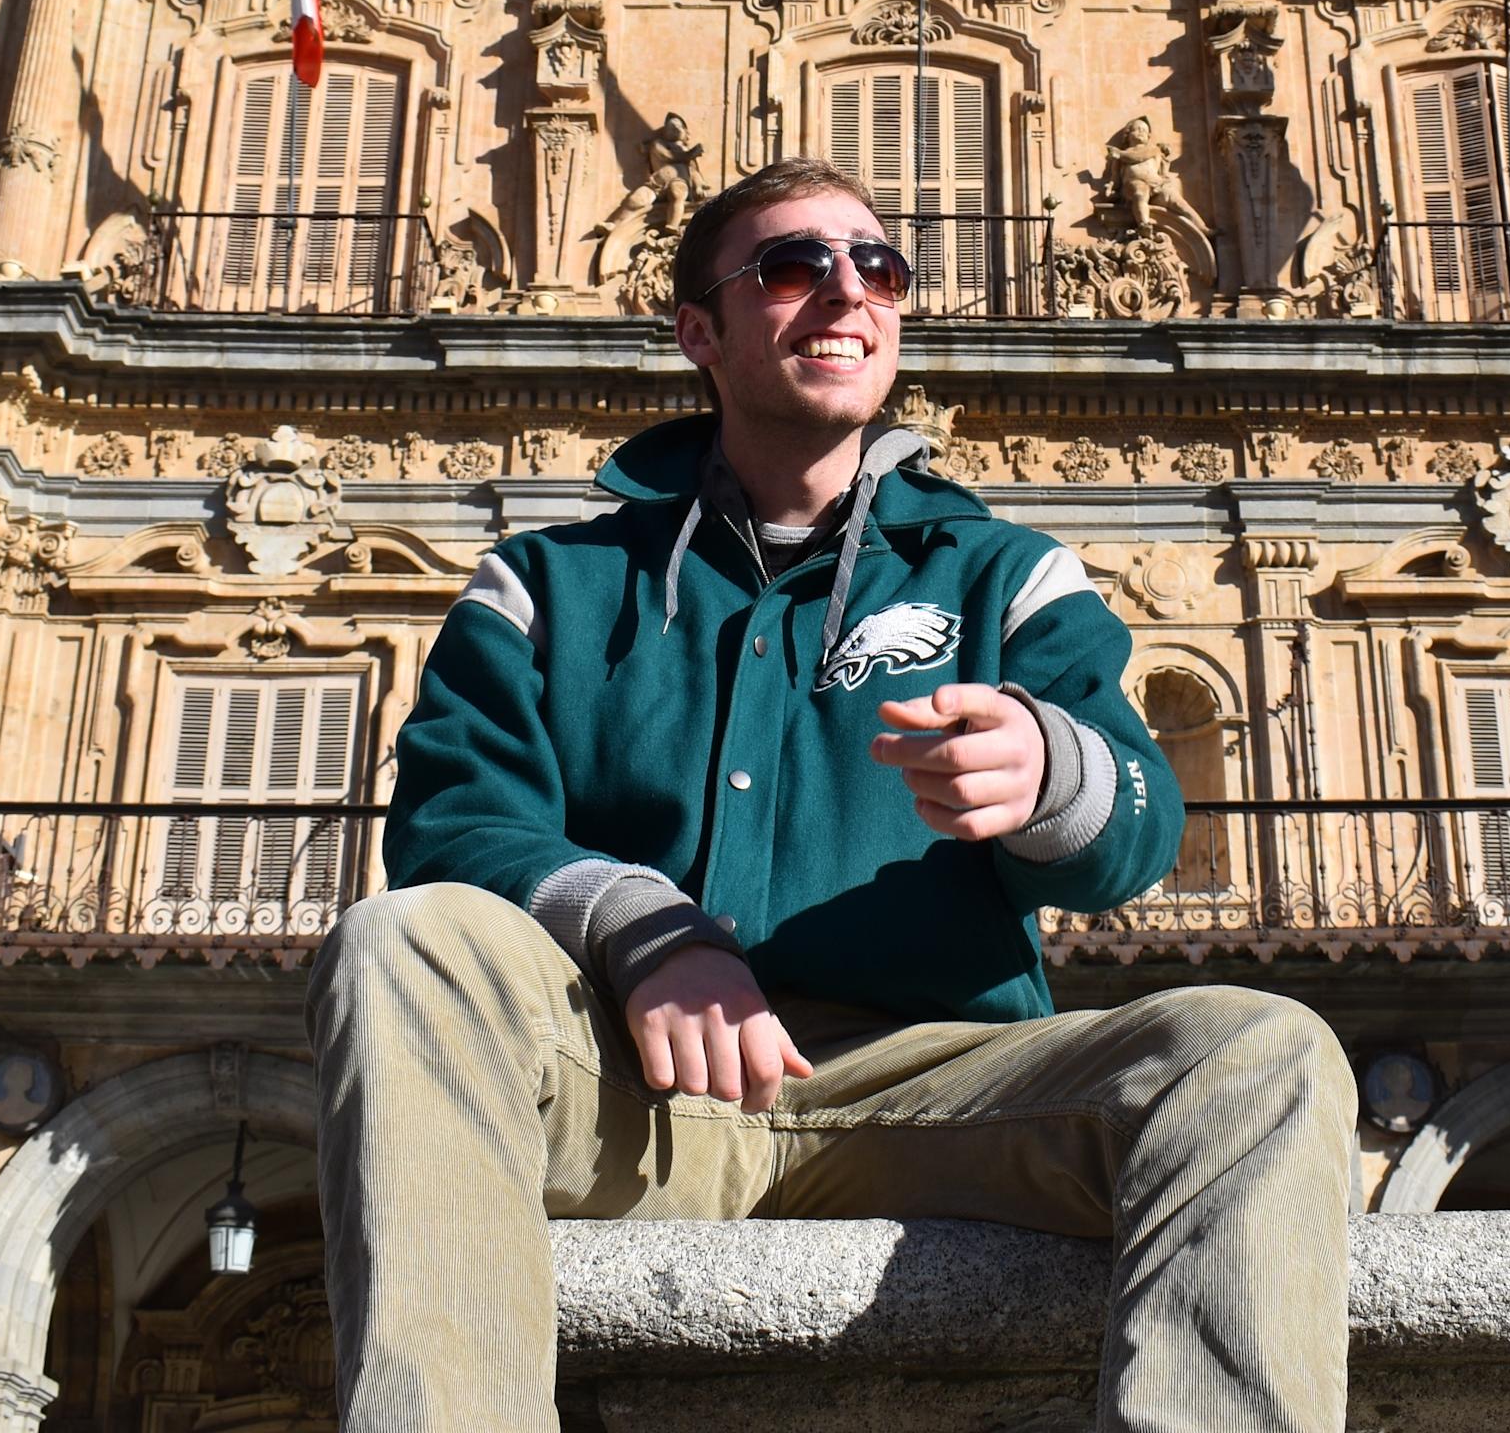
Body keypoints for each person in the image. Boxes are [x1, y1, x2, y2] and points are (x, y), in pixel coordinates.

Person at [309, 155, 1356, 1431]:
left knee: (1264, 1053)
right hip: (631, 1093)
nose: (845, 293)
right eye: (793, 267)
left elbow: (1139, 824)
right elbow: (452, 824)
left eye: (879, 267)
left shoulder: (1004, 576)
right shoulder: (546, 585)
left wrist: (1050, 772)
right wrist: (639, 929)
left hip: (935, 1092)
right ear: (701, 330)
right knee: (403, 940)